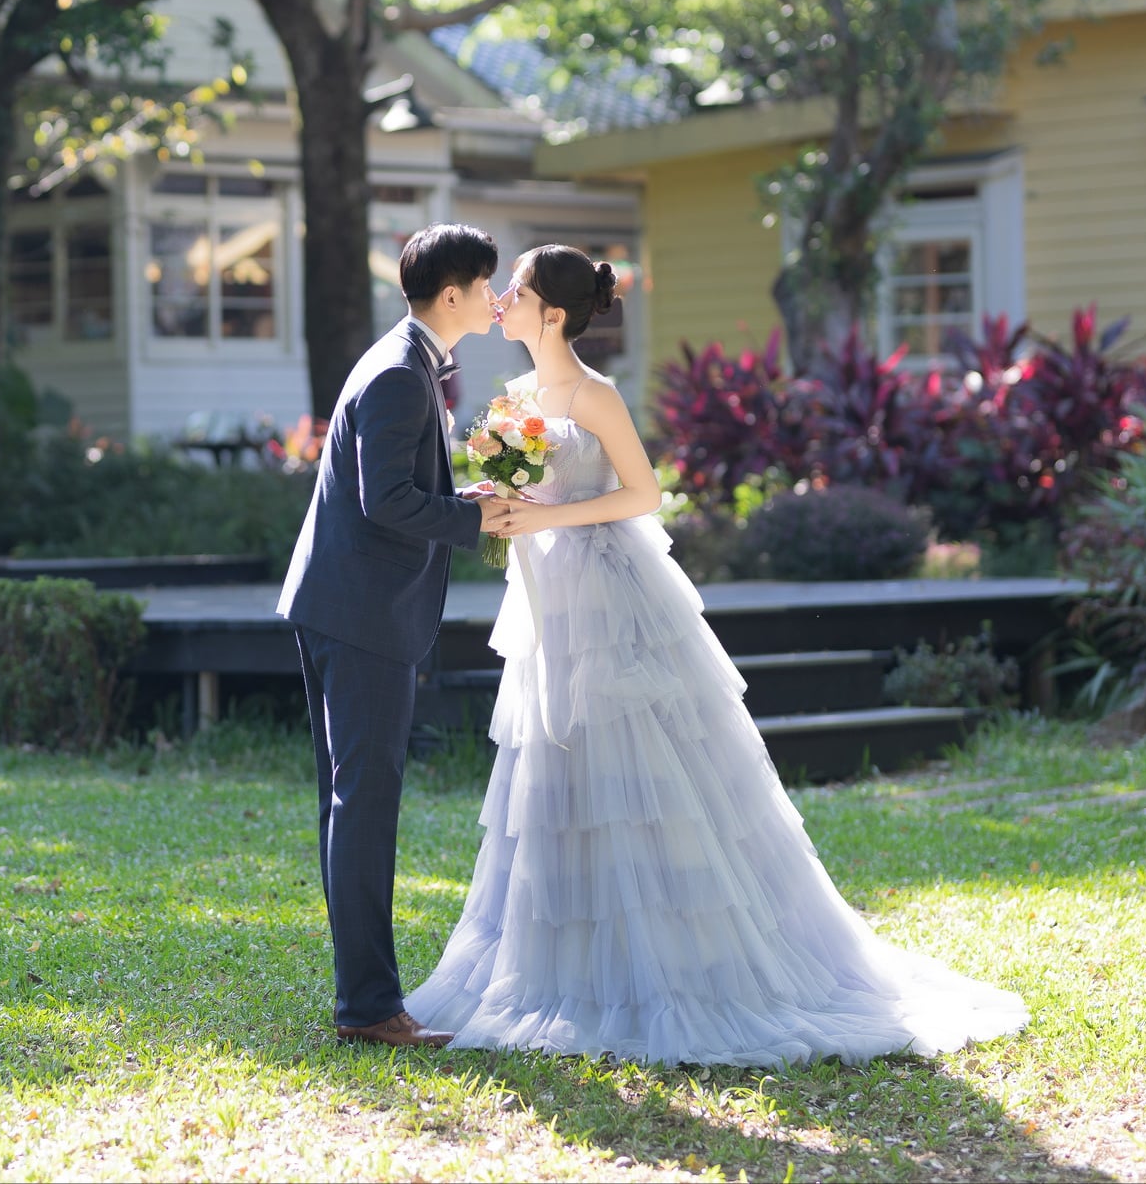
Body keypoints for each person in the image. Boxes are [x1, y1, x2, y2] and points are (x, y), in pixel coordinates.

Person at [404, 244, 1029, 1067]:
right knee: (554, 767)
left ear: (551, 312)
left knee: (638, 765)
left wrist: (545, 519)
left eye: (514, 290)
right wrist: (500, 504)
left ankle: (677, 959)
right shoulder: (513, 396)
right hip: (544, 596)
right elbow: (520, 498)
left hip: (608, 593)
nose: (500, 301)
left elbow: (642, 493)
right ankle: (570, 961)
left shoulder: (593, 394)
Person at [278, 223, 513, 1048]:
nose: (494, 299)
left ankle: (364, 999)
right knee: (363, 807)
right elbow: (387, 502)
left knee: (351, 806)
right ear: (452, 294)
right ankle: (371, 1008)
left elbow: (397, 484)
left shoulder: (404, 361)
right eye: (486, 285)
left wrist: (463, 492)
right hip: (361, 616)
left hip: (344, 607)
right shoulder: (400, 376)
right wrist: (477, 515)